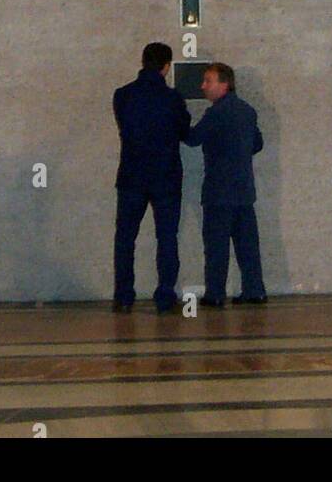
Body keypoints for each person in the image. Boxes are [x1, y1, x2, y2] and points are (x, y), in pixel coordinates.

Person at [112, 41, 191, 313]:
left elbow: (125, 127)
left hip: (131, 176)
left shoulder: (122, 95)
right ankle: (165, 296)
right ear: (166, 67)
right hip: (166, 177)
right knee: (167, 237)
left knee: (125, 238)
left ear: (143, 61)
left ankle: (124, 296)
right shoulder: (173, 98)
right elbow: (184, 131)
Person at [185, 62, 267, 307]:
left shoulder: (216, 113)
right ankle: (254, 290)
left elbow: (193, 138)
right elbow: (258, 144)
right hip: (244, 190)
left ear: (224, 84)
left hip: (218, 191)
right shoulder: (248, 111)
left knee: (216, 246)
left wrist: (178, 120)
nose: (203, 86)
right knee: (247, 246)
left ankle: (216, 294)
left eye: (208, 81)